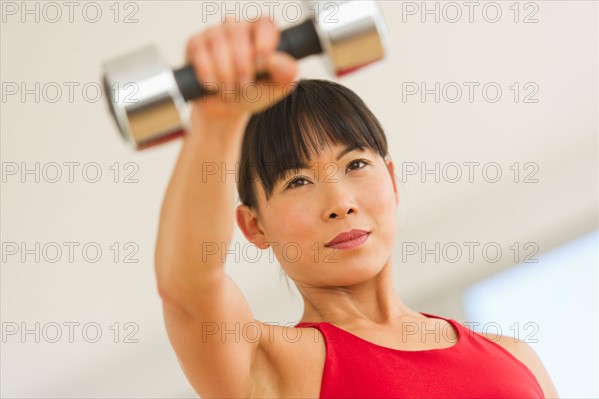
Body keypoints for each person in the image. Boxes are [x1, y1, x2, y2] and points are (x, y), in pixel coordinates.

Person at [154, 17, 559, 398]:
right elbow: (189, 291)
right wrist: (217, 119)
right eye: (297, 181)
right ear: (254, 226)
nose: (340, 203)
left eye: (356, 165)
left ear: (393, 180)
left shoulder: (516, 357)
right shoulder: (273, 368)